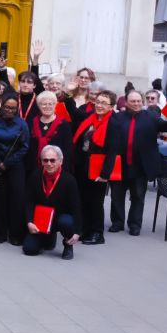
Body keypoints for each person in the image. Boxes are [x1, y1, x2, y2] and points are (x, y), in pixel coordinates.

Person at [103, 89, 167, 236]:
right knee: (117, 196)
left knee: (138, 196)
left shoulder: (151, 116)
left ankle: (134, 224)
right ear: (126, 102)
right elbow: (109, 139)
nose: (136, 104)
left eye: (139, 101)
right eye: (133, 101)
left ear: (142, 102)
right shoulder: (117, 118)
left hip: (141, 165)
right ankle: (117, 222)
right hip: (120, 164)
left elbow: (166, 127)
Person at [23, 145, 82, 260]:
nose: (49, 163)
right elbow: (28, 201)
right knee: (29, 249)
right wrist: (29, 222)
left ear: (60, 161)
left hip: (60, 218)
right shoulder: (35, 176)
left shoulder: (69, 180)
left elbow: (76, 207)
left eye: (52, 160)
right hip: (41, 221)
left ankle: (68, 245)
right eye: (45, 160)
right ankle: (48, 238)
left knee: (66, 222)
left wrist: (77, 231)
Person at [72, 91, 114, 245]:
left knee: (96, 202)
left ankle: (97, 233)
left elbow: (112, 152)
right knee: (84, 199)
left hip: (99, 169)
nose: (100, 105)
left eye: (104, 103)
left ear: (111, 107)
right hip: (84, 166)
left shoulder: (112, 123)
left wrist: (105, 174)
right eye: (98, 102)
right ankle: (86, 230)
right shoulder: (90, 119)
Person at [0, 96, 29, 245]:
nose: (9, 110)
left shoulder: (22, 124)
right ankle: (0, 232)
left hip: (15, 165)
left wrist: (8, 163)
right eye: (7, 107)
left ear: (16, 109)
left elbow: (24, 148)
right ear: (2, 107)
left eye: (13, 108)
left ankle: (16, 234)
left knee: (17, 199)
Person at [29, 91, 73, 178]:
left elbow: (68, 150)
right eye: (44, 104)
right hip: (36, 169)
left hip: (58, 169)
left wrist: (64, 171)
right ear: (39, 106)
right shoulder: (33, 122)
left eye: (50, 104)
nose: (47, 106)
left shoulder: (63, 124)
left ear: (55, 104)